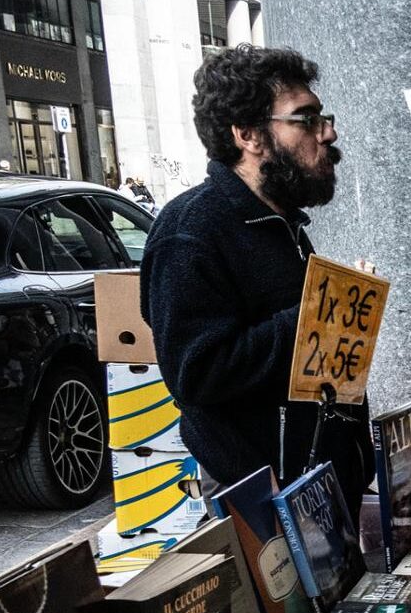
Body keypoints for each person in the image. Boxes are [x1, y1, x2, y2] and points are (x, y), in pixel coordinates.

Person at [142, 45, 373, 511]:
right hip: (263, 504)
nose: (328, 132)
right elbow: (198, 372)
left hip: (319, 491)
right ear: (248, 135)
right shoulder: (191, 231)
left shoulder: (281, 222)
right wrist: (317, 314)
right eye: (306, 119)